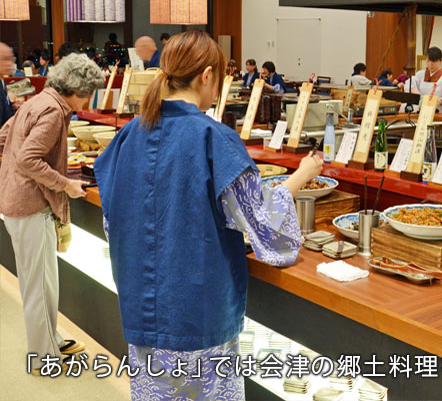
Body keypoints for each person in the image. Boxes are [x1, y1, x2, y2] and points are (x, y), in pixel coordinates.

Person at [93, 30, 323, 400]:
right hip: (198, 313)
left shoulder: (130, 134)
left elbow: (113, 219)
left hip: (142, 309)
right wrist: (300, 177)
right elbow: (262, 222)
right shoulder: (213, 137)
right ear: (207, 76)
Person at [0, 52, 106, 372]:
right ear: (76, 88)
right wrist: (65, 184)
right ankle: (42, 357)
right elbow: (28, 158)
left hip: (19, 203)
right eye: (88, 93)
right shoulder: (52, 110)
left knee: (44, 284)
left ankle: (50, 341)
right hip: (30, 207)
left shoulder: (38, 101)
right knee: (38, 286)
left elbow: (5, 138)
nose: (88, 100)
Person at [404, 46, 442, 114]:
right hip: (420, 111)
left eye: (434, 61)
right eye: (428, 61)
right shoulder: (420, 74)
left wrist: (441, 101)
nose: (430, 64)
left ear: (441, 60)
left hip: (438, 113)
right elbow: (408, 83)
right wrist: (413, 90)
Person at [0, 43, 18, 128]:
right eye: (6, 59)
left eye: (12, 59)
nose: (10, 63)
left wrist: (12, 106)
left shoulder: (2, 81)